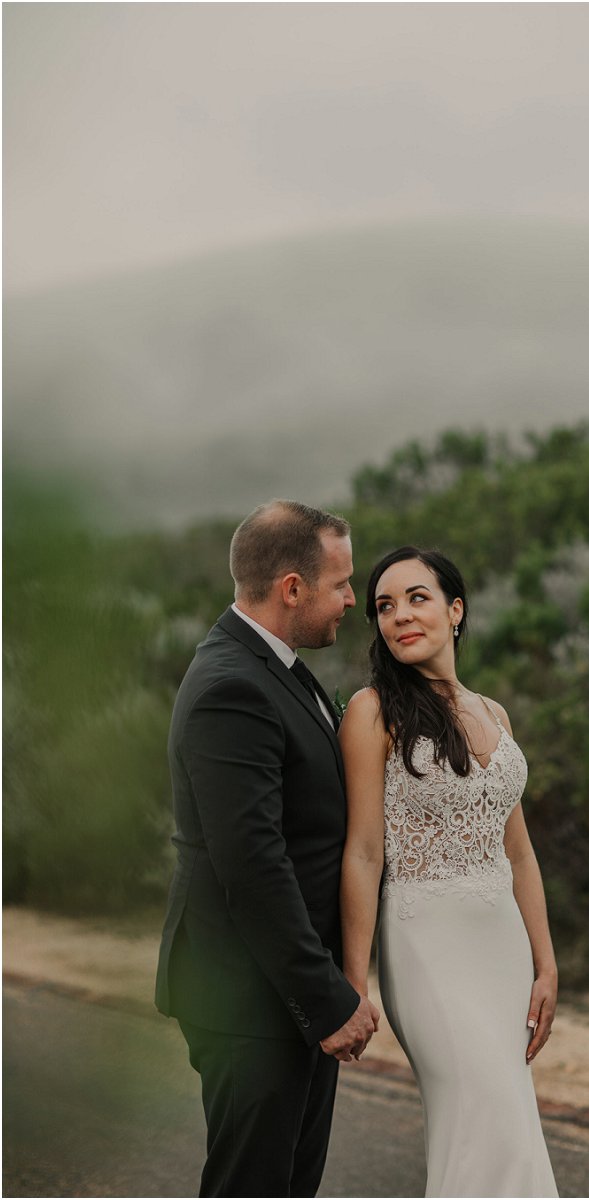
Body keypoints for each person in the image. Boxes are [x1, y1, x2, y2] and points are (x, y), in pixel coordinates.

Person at [155, 500, 379, 1199]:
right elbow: (251, 864)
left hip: (286, 991)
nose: (351, 599)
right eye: (340, 583)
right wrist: (325, 998)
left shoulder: (276, 667)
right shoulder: (231, 686)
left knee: (288, 1187)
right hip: (248, 997)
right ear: (291, 587)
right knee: (252, 1187)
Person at [339, 546, 559, 1198]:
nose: (399, 616)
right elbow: (362, 853)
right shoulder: (372, 711)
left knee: (511, 1122)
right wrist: (356, 979)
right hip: (424, 945)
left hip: (503, 951)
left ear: (454, 610)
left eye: (416, 598)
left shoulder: (494, 713)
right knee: (478, 1115)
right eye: (383, 605)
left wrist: (545, 964)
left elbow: (517, 853)